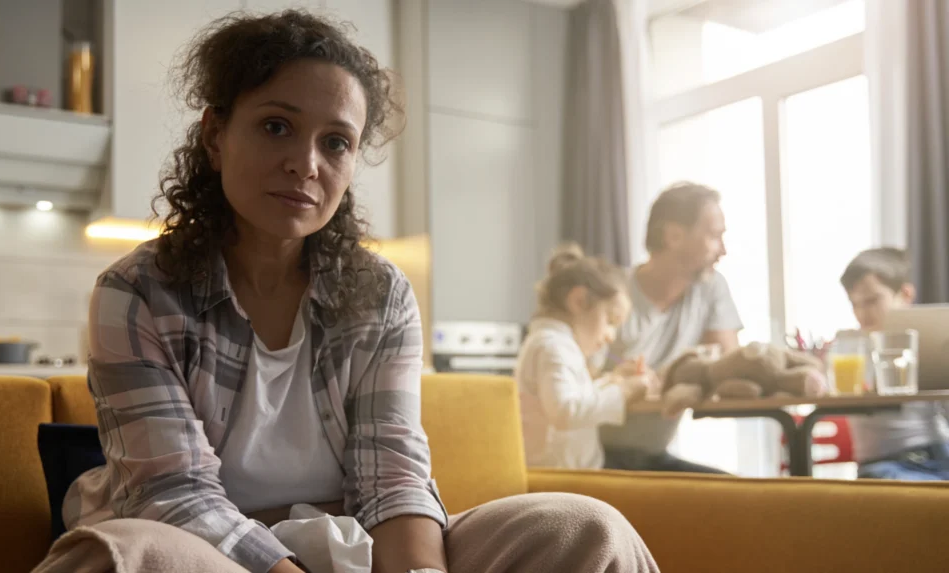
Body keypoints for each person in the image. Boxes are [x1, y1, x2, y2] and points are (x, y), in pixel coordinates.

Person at [38, 11, 660, 573]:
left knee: (587, 529)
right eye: (276, 126)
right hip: (203, 551)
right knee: (120, 555)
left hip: (355, 543)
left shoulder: (382, 294)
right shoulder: (135, 292)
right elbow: (174, 494)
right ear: (215, 136)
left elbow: (393, 479)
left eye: (336, 142)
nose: (306, 164)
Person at [599, 182, 743, 474]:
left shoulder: (711, 287)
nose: (723, 250)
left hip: (654, 457)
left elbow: (728, 367)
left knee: (738, 493)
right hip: (597, 459)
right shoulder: (609, 293)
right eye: (713, 236)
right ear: (674, 236)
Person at [515, 243, 660, 470]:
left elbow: (577, 396)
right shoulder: (553, 347)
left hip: (569, 474)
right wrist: (623, 392)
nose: (611, 336)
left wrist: (614, 380)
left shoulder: (557, 345)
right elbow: (565, 411)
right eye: (610, 320)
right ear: (579, 301)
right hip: (558, 479)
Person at [840, 247, 949, 480]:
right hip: (885, 462)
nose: (862, 313)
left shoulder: (932, 337)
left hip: (940, 449)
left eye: (872, 300)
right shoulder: (848, 349)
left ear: (906, 294)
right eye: (855, 304)